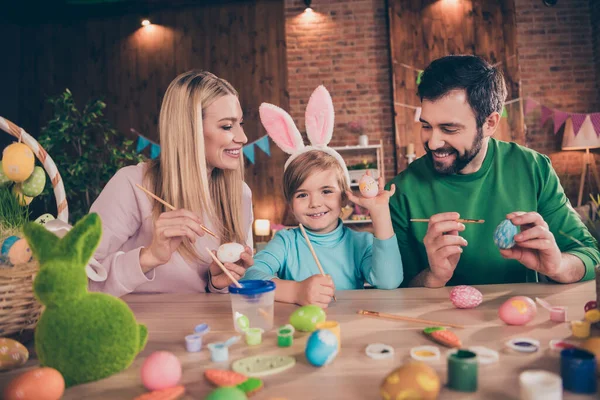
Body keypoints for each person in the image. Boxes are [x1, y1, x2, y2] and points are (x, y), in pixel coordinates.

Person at [388, 55, 600, 288]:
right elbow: (395, 289)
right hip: (434, 323)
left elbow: (589, 254)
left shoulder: (533, 167)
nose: (433, 142)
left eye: (449, 129)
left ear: (490, 123)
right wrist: (433, 276)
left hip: (522, 318)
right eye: (426, 126)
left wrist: (557, 266)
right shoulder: (401, 191)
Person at [89, 70, 254, 297]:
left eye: (240, 124)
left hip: (204, 330)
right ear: (190, 130)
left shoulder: (240, 195)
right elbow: (77, 280)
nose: (243, 137)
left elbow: (214, 299)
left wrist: (218, 284)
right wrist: (149, 257)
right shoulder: (131, 184)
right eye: (227, 126)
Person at [243, 86, 403, 308]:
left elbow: (389, 281)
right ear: (290, 204)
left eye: (326, 191)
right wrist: (295, 291)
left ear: (345, 197)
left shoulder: (360, 243)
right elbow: (250, 276)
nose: (315, 203)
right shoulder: (286, 242)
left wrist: (380, 213)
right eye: (302, 194)